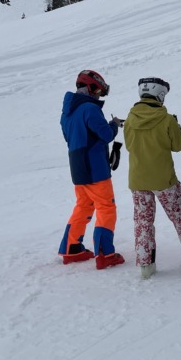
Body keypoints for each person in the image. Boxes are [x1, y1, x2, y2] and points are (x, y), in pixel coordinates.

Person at [120, 77, 181, 280]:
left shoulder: (130, 118)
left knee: (143, 222)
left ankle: (146, 266)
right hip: (164, 179)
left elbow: (129, 145)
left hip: (138, 179)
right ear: (161, 94)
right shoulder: (166, 119)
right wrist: (176, 127)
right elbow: (178, 145)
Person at [58, 69, 125, 270]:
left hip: (78, 167)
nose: (99, 96)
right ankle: (105, 254)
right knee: (106, 207)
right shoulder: (90, 109)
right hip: (95, 168)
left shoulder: (67, 113)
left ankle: (72, 248)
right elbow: (106, 135)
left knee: (83, 206)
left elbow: (70, 138)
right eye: (99, 91)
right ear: (91, 87)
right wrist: (114, 125)